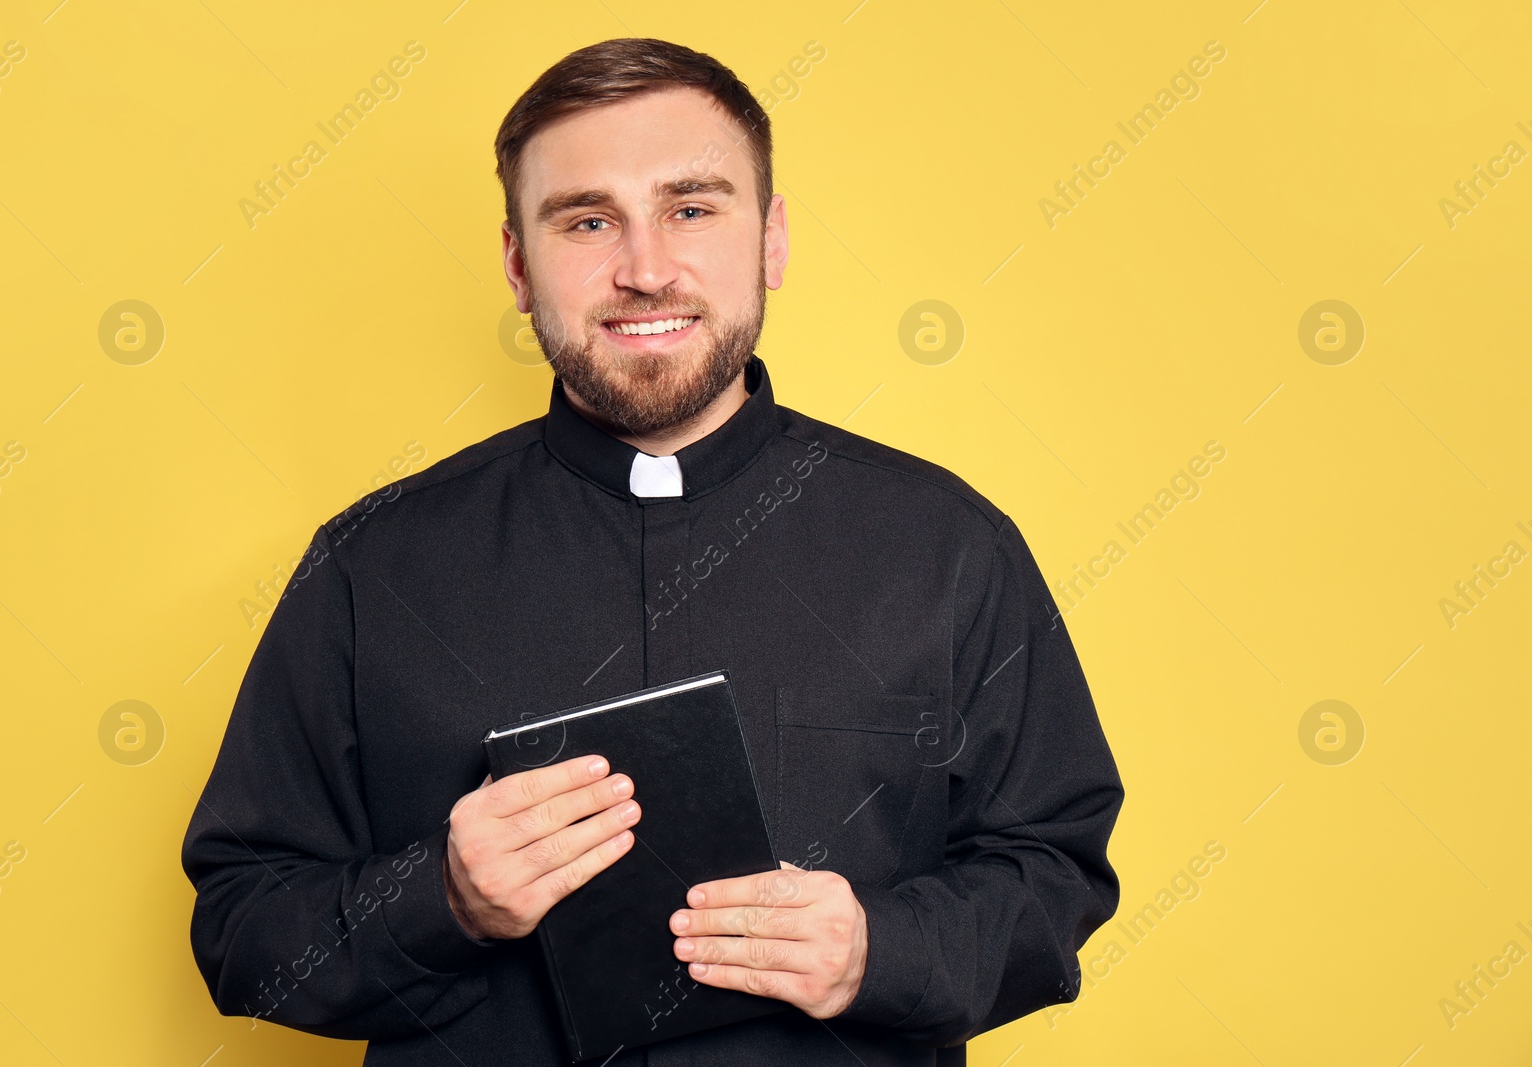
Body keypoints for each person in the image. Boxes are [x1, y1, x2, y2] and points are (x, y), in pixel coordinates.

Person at [182, 37, 1123, 1067]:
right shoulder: (371, 565)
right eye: (587, 220)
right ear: (515, 263)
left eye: (691, 208)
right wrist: (440, 897)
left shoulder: (947, 545)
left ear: (770, 240)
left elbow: (1054, 872)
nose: (644, 269)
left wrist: (876, 950)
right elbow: (240, 925)